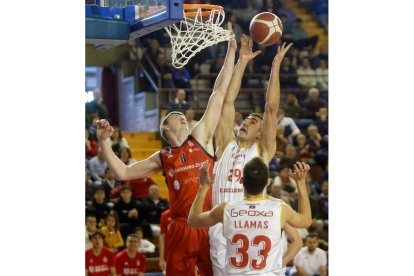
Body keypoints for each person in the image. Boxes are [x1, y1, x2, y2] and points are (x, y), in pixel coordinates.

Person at [96, 23, 238, 276]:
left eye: (182, 115)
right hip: (181, 227)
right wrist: (104, 142)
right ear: (165, 130)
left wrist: (230, 54)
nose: (182, 117)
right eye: (175, 116)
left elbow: (218, 93)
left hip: (208, 222)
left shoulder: (200, 137)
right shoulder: (163, 156)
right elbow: (123, 173)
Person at [209, 37, 293, 276]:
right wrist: (242, 61)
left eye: (252, 122)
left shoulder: (261, 151)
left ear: (259, 134)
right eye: (245, 120)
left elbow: (271, 108)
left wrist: (275, 65)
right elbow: (227, 102)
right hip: (220, 225)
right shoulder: (225, 145)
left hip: (250, 224)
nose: (245, 121)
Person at [188, 159, 312, 275]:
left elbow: (193, 221)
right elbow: (306, 221)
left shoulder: (226, 209)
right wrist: (300, 183)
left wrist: (203, 188)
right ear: (268, 182)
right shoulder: (280, 209)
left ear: (241, 181)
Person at [159, 209, 172, 274]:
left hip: (185, 255)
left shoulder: (187, 214)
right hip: (168, 256)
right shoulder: (165, 215)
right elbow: (162, 237)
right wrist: (161, 258)